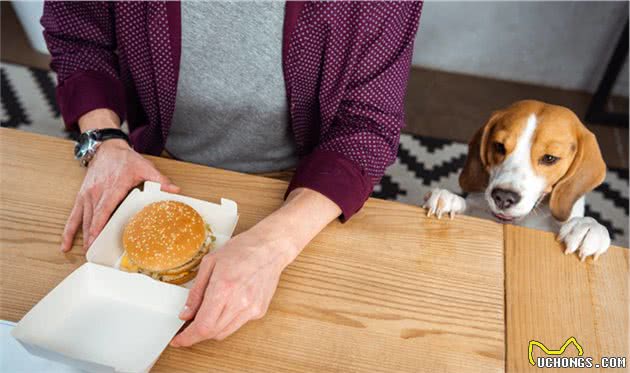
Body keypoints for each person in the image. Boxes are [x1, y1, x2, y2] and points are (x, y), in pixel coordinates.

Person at [42, 1, 422, 346]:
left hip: (307, 196)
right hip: (158, 165)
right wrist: (104, 140)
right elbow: (77, 33)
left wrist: (274, 246)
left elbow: (368, 124)